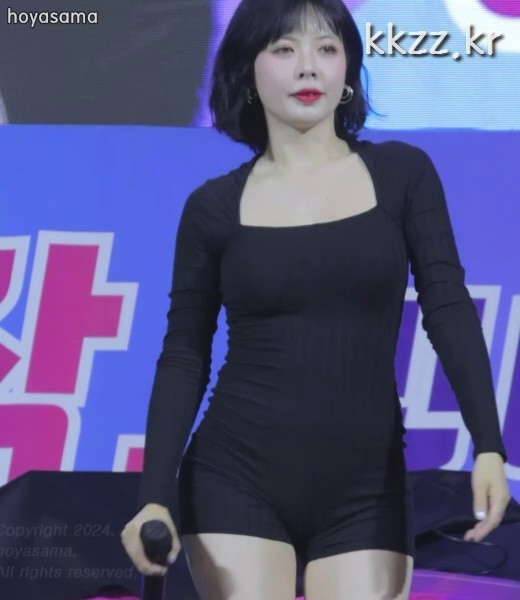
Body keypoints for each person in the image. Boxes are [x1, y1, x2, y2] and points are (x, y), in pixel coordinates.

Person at [120, 0, 511, 598]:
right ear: (247, 70)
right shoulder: (213, 208)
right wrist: (153, 497)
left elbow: (448, 306)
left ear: (347, 69)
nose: (309, 66)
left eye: (326, 48)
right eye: (284, 49)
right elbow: (184, 355)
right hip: (235, 474)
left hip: (367, 488)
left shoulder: (402, 174)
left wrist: (488, 446)